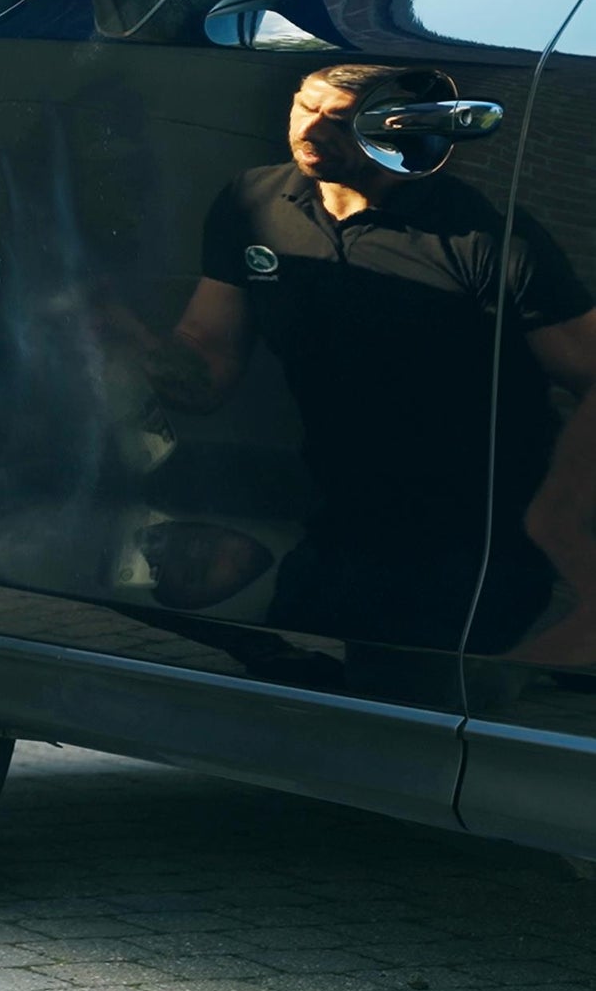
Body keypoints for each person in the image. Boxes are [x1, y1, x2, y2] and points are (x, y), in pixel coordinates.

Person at [113, 63, 596, 656]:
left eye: (339, 120)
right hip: (338, 518)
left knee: (421, 711)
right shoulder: (253, 202)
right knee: (287, 687)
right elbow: (206, 366)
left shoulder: (483, 241)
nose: (311, 131)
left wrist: (559, 514)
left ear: (398, 131)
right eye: (304, 106)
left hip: (473, 541)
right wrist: (124, 337)